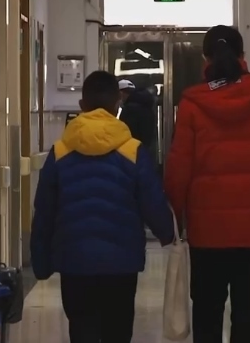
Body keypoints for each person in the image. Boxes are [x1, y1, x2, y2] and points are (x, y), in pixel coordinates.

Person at [165, 24, 250, 343]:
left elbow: (178, 169)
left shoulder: (192, 104)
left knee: (207, 314)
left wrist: (175, 218)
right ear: (243, 56)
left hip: (207, 231)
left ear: (205, 58)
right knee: (249, 317)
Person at [31, 70, 175, 343]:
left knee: (81, 330)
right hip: (121, 264)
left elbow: (44, 212)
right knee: (117, 332)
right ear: (117, 104)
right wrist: (167, 233)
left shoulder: (60, 152)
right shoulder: (133, 150)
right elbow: (152, 201)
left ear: (81, 105)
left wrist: (40, 261)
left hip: (74, 262)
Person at [118, 78, 158, 154]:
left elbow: (126, 133)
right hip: (146, 151)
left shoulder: (129, 109)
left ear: (121, 93)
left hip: (133, 152)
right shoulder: (147, 105)